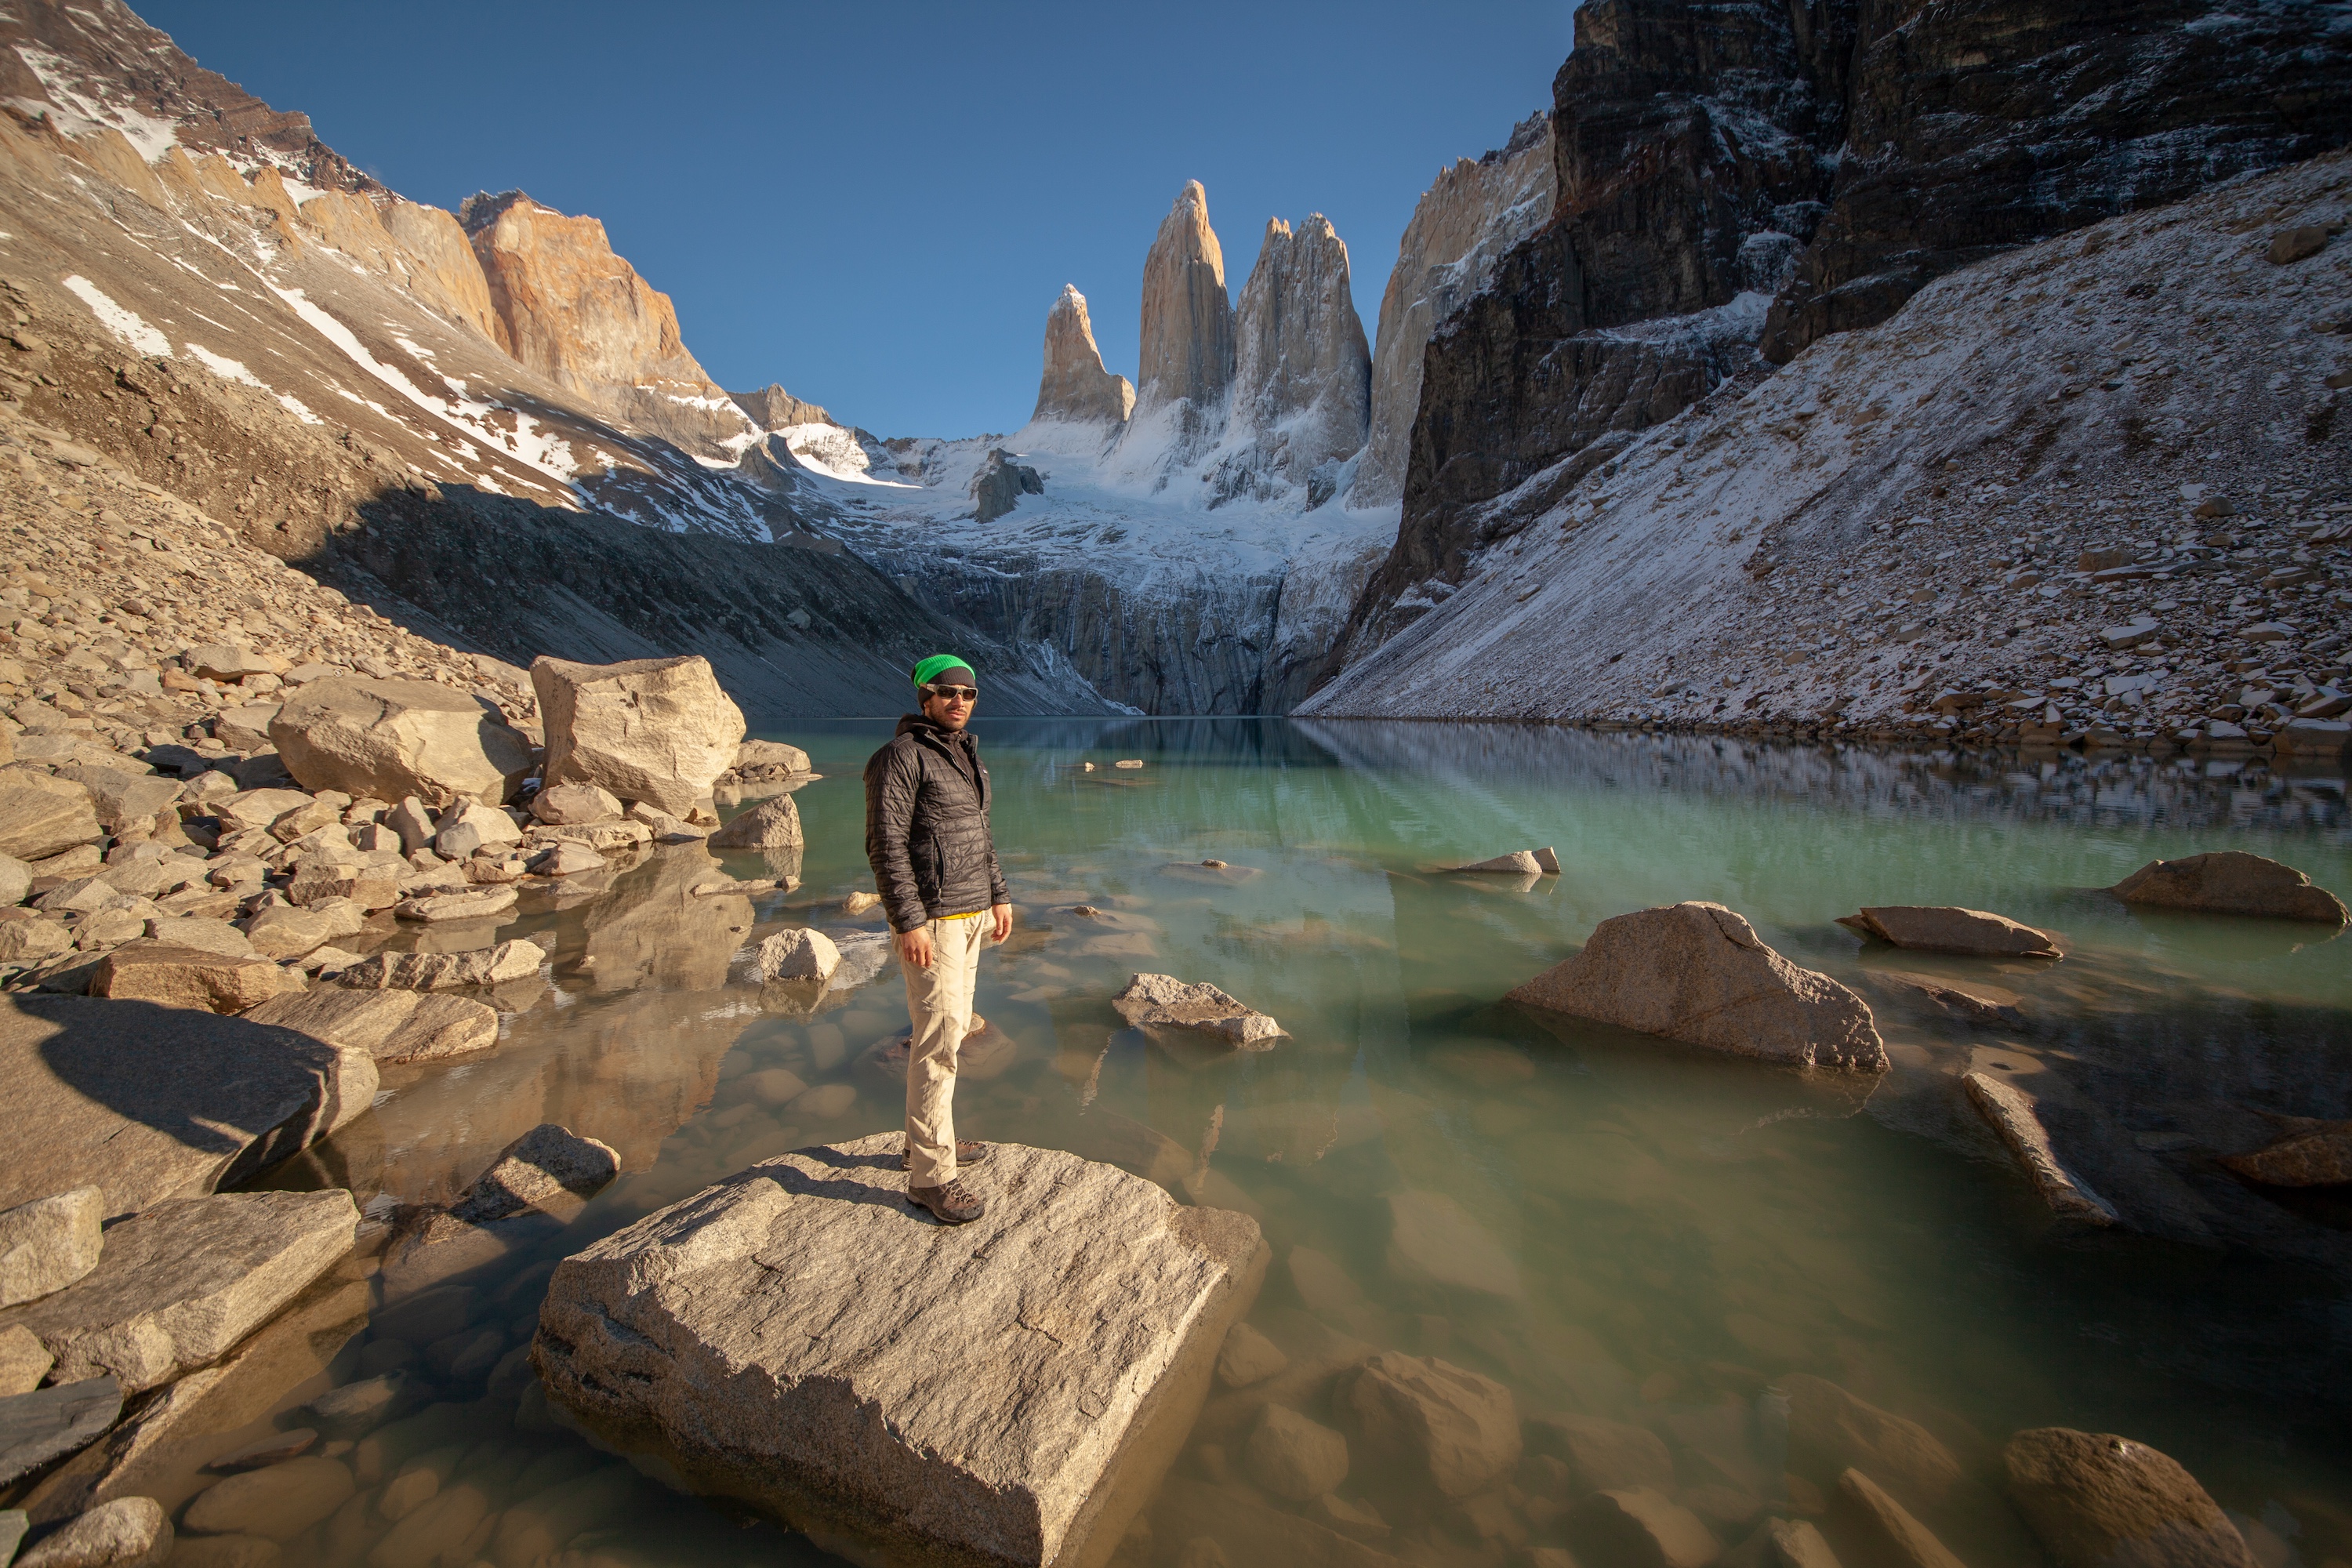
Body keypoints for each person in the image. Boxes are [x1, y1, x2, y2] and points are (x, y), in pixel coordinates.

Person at [863, 654, 1014, 1224]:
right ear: (924, 697)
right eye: (947, 692)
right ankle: (930, 1178)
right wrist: (908, 921)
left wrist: (999, 895)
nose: (959, 701)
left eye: (968, 694)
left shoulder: (965, 754)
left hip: (972, 915)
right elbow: (885, 845)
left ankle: (924, 1143)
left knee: (949, 1033)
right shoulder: (900, 757)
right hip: (935, 921)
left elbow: (980, 835)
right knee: (938, 1045)